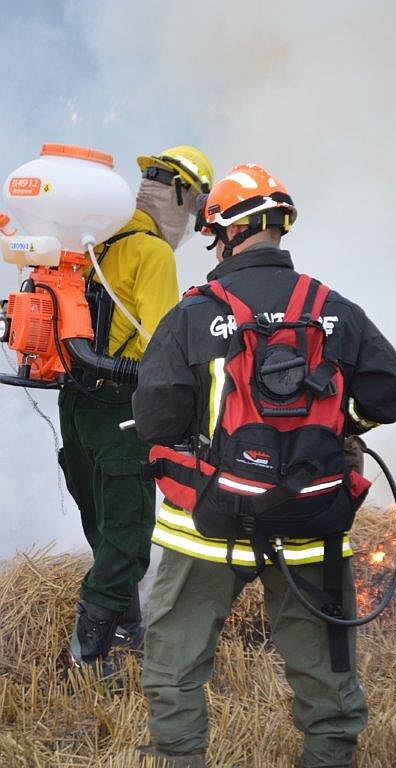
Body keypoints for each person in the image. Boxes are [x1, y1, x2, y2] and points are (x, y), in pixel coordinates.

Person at [132, 163, 396, 768]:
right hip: (314, 520)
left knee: (175, 668)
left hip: (208, 525)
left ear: (223, 232)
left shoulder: (194, 314)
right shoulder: (331, 307)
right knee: (326, 678)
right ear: (279, 226)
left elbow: (155, 420)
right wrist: (341, 426)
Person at [58, 145, 213, 672]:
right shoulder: (152, 254)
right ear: (180, 196)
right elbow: (162, 353)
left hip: (73, 404)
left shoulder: (92, 237)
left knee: (103, 526)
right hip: (119, 409)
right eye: (193, 207)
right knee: (126, 538)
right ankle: (86, 659)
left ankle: (126, 629)